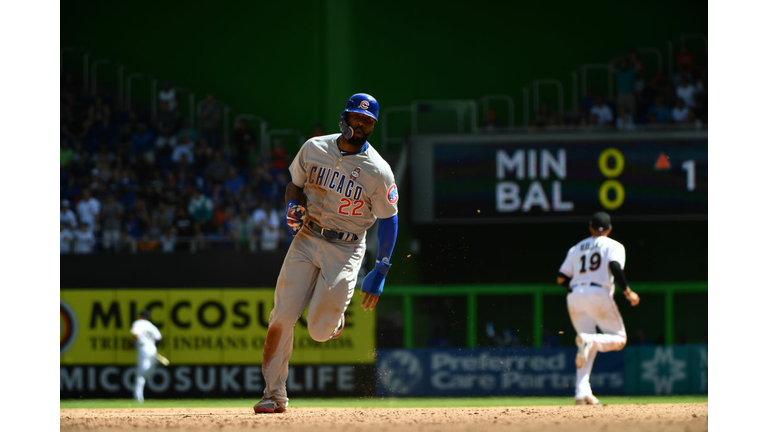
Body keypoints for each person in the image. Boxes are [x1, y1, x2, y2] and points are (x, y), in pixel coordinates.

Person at [253, 93, 399, 414]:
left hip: (346, 247)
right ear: (344, 117)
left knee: (319, 332)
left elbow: (389, 219)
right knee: (281, 317)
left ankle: (333, 323)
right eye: (356, 117)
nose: (360, 125)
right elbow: (295, 184)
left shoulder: (378, 170)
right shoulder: (314, 147)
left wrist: (382, 267)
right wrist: (292, 204)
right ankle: (274, 395)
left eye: (367, 121)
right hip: (307, 236)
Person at [556, 212, 640, 405]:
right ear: (609, 229)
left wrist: (577, 287)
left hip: (575, 295)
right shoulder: (614, 245)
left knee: (586, 346)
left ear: (590, 228)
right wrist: (627, 291)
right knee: (619, 339)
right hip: (598, 293)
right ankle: (589, 340)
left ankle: (581, 391)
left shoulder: (576, 248)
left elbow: (561, 277)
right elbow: (615, 267)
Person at [130, 309, 162, 403]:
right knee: (144, 374)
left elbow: (136, 335)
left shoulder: (138, 323)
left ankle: (138, 398)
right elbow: (159, 338)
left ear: (141, 316)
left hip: (143, 348)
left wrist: (131, 344)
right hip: (153, 348)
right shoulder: (151, 326)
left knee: (140, 374)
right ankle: (155, 363)